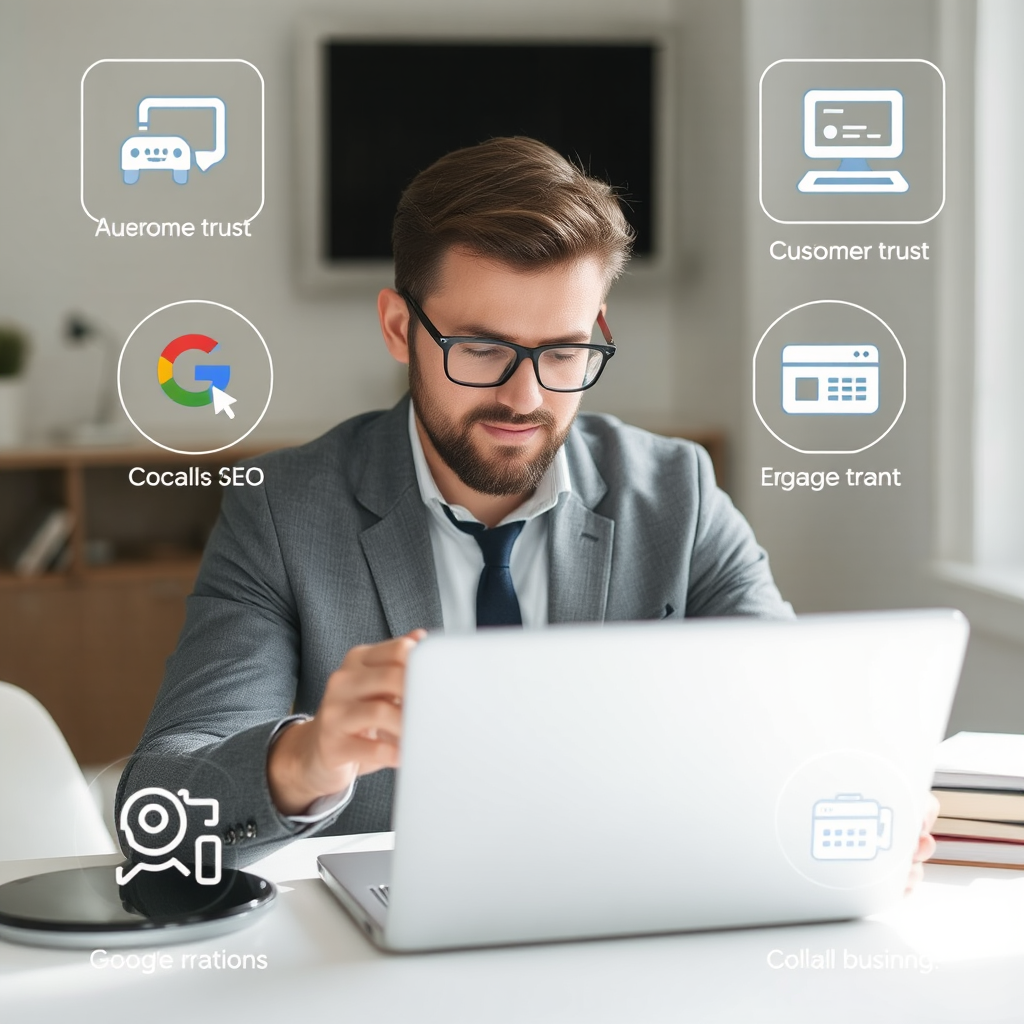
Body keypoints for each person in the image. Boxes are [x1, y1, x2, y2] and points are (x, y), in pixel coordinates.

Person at [117, 137, 937, 887]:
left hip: (620, 918)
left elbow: (791, 716)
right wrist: (304, 760)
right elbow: (154, 813)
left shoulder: (676, 493)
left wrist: (857, 791)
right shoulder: (285, 513)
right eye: (481, 348)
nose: (525, 395)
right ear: (401, 328)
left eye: (565, 351)